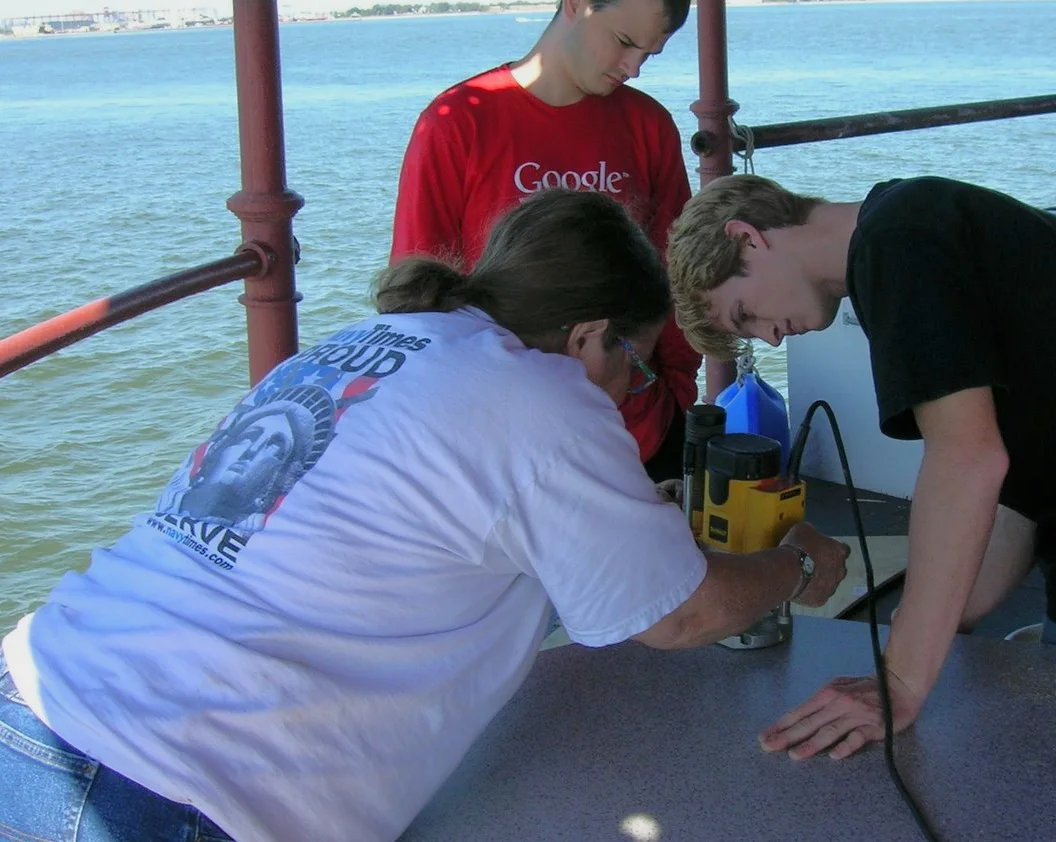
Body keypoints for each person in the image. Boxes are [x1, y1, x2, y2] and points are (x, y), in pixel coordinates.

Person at [0, 188, 849, 842]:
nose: (635, 386)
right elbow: (681, 614)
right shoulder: (543, 394)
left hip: (39, 697)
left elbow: (400, 532)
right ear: (590, 336)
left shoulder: (367, 341)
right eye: (635, 360)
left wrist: (635, 523)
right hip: (168, 780)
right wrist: (799, 563)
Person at [667, 173, 1056, 762]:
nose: (769, 341)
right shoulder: (915, 220)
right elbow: (1012, 472)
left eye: (744, 314)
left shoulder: (897, 249)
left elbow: (967, 459)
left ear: (748, 237)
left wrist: (902, 678)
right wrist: (938, 622)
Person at [390, 0, 700, 482]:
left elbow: (676, 273)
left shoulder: (649, 125)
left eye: (649, 56)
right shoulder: (458, 122)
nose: (632, 68)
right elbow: (415, 298)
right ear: (577, 3)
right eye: (625, 42)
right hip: (501, 440)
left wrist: (675, 394)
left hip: (633, 432)